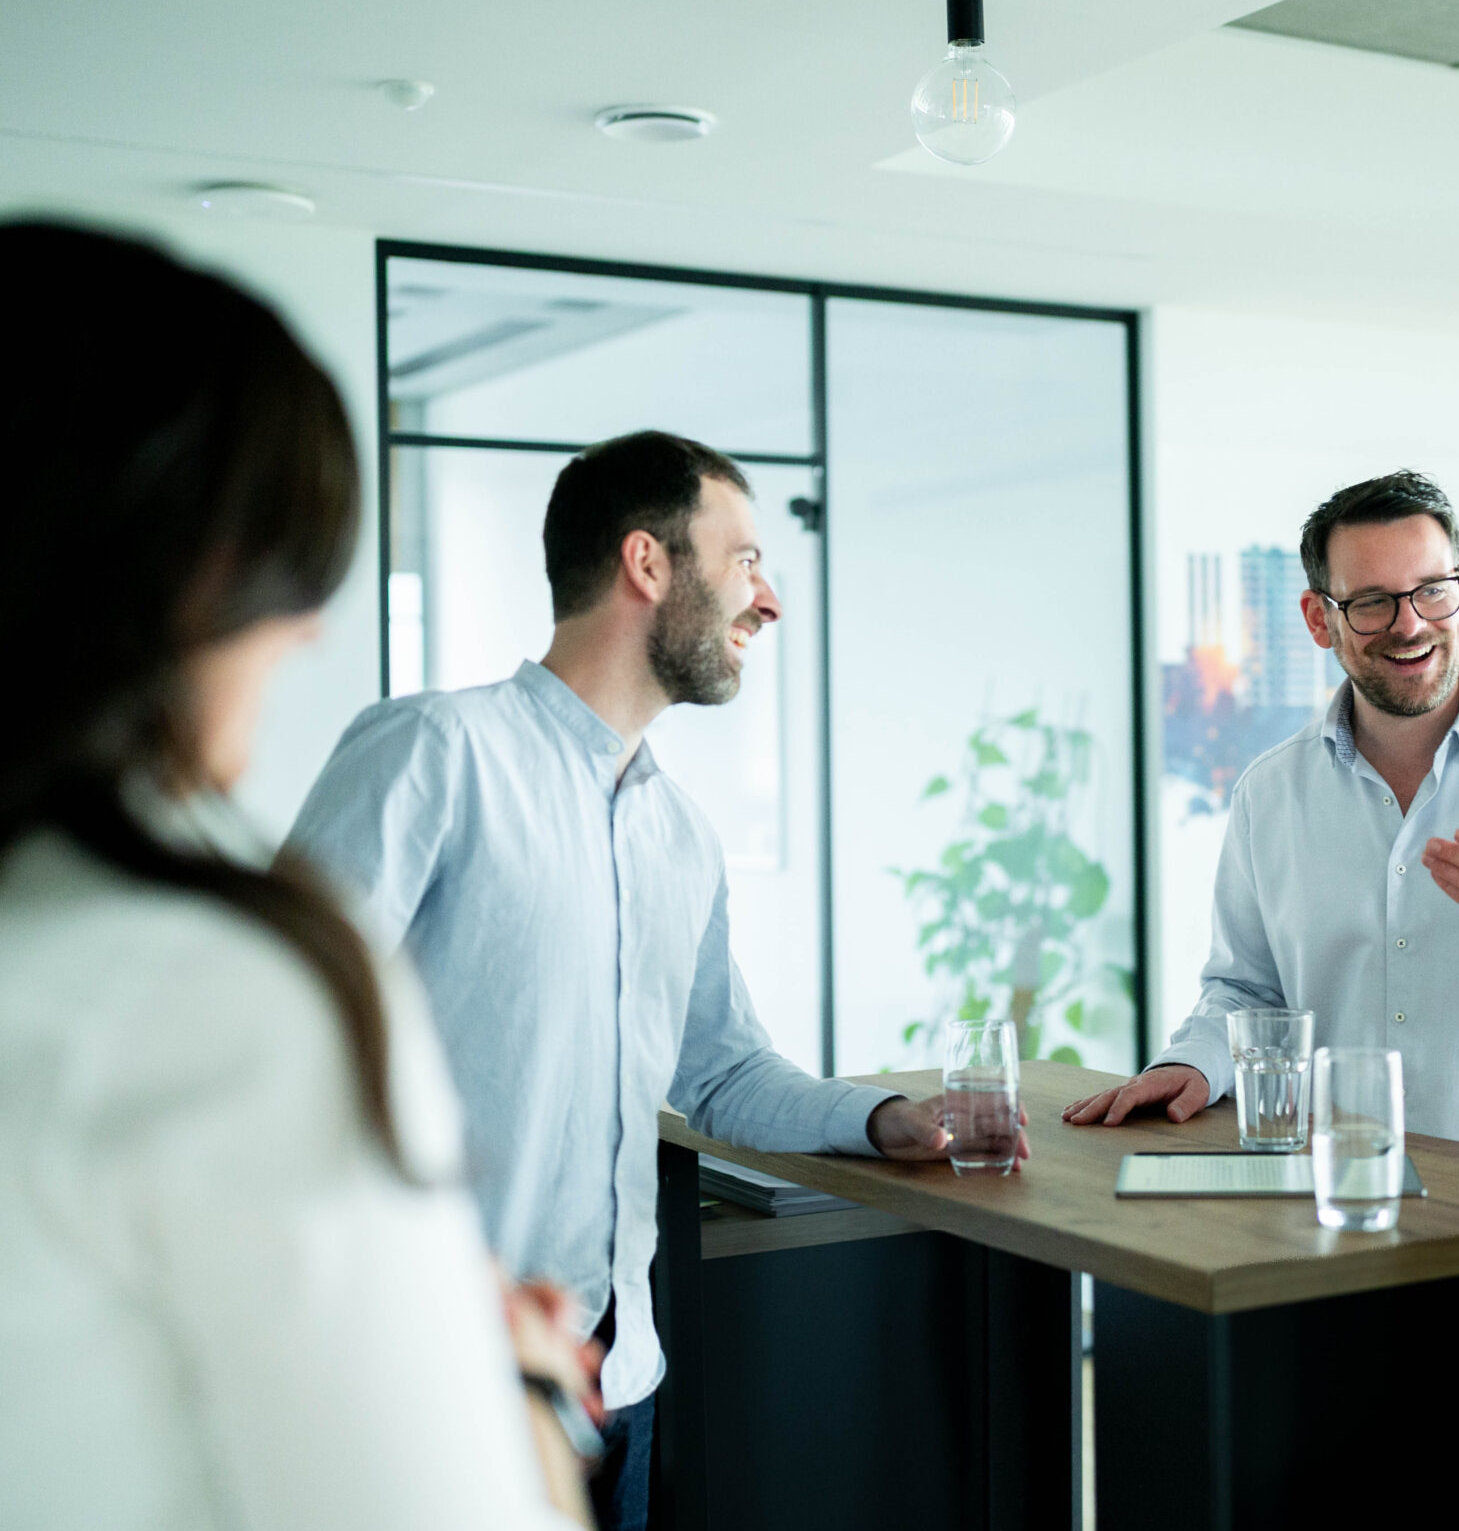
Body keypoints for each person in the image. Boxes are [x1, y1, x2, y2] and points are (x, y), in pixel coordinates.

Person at [0, 223, 595, 1529]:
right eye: (288, 556)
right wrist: (514, 1390)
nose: (316, 621)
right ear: (174, 573)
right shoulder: (227, 978)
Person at [288, 429, 996, 1531]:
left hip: (621, 1385)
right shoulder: (433, 750)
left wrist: (886, 1116)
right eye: (746, 559)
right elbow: (282, 1043)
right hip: (440, 1380)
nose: (768, 602)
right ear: (647, 564)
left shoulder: (679, 835)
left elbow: (722, 1071)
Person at [1065, 470, 1459, 1170]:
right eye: (1371, 601)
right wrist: (1195, 1062)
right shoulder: (1269, 796)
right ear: (1319, 619)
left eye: (1433, 590)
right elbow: (1246, 991)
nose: (1409, 623)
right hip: (1347, 1208)